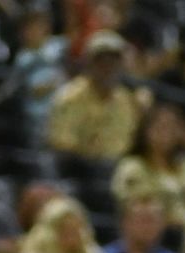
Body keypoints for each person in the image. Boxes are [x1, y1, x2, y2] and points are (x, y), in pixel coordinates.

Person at [47, 31, 142, 165]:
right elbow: (61, 145)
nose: (108, 67)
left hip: (117, 169)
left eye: (114, 61)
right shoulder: (70, 97)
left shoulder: (126, 100)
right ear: (89, 64)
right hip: (78, 169)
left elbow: (128, 143)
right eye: (101, 61)